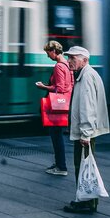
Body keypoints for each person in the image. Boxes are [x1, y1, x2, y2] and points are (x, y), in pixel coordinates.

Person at [62, 45, 109, 214]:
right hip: (85, 131)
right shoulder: (86, 75)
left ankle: (86, 202)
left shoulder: (87, 77)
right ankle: (86, 200)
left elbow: (88, 108)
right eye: (69, 58)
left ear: (85, 60)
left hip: (85, 133)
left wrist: (86, 134)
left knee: (83, 167)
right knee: (85, 166)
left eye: (73, 58)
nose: (69, 61)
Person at [36, 40, 73, 176]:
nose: (47, 56)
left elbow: (59, 88)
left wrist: (43, 87)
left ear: (53, 51)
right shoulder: (68, 65)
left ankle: (61, 167)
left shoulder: (58, 66)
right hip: (65, 104)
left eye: (48, 53)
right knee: (58, 135)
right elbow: (69, 85)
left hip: (57, 107)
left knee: (56, 136)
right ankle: (59, 163)